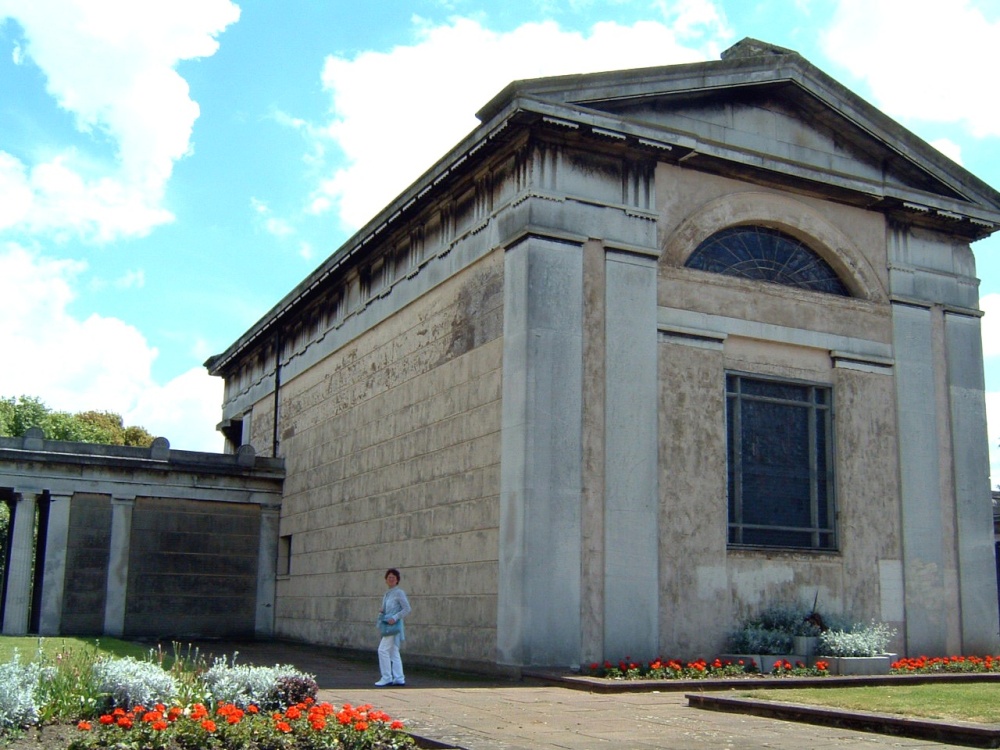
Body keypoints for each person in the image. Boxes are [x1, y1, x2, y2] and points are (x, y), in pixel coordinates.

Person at [375, 567, 411, 686]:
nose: (391, 579)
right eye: (389, 577)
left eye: (393, 578)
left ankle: (386, 677)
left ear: (397, 580)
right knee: (393, 651)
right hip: (387, 624)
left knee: (382, 650)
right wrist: (382, 611)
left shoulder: (399, 593)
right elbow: (387, 608)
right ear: (386, 579)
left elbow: (407, 608)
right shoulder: (388, 594)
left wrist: (395, 617)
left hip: (393, 626)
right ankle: (399, 677)